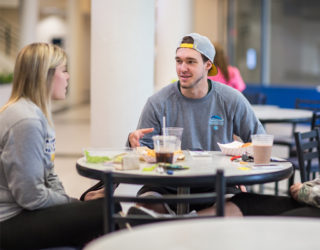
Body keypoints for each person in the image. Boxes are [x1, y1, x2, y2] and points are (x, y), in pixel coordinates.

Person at [127, 33, 265, 214]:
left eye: (190, 62)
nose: (182, 68)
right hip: (166, 185)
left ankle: (182, 225)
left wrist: (239, 169)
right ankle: (187, 224)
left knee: (238, 206)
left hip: (217, 183)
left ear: (208, 65)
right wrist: (132, 143)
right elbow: (141, 152)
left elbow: (260, 140)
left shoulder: (231, 99)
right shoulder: (158, 102)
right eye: (179, 61)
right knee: (144, 206)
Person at [0, 43, 120, 249]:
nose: (68, 77)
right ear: (44, 75)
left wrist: (75, 202)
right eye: (63, 70)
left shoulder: (37, 114)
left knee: (99, 208)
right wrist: (74, 204)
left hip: (23, 214)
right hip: (9, 223)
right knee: (107, 208)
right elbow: (31, 197)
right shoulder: (25, 120)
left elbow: (49, 175)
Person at [211, 178, 320, 218]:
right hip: (313, 199)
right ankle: (194, 220)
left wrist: (305, 191)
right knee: (245, 200)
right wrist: (307, 187)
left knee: (275, 226)